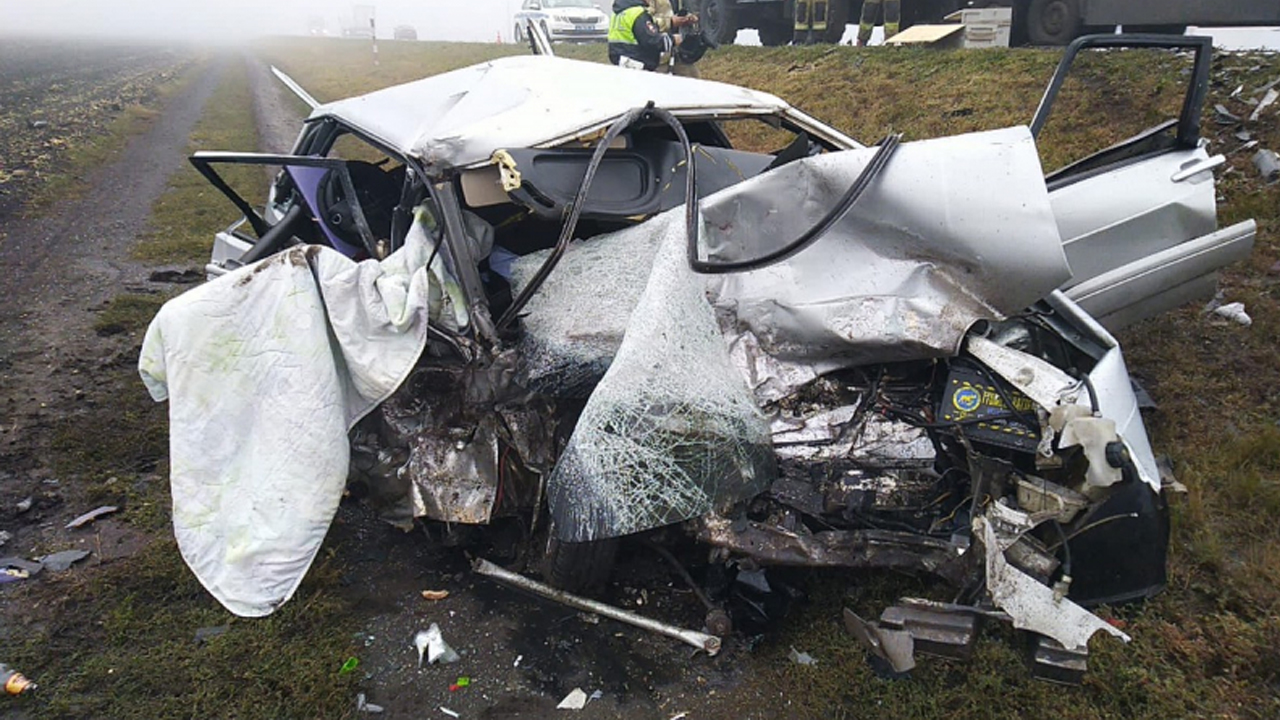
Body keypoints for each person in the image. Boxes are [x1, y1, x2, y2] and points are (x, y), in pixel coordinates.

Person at [608, 0, 678, 71]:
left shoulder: (618, 12)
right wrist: (674, 40)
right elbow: (652, 41)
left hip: (621, 64)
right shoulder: (638, 13)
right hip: (638, 66)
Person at [649, 0, 702, 77]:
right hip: (656, 56)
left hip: (677, 52)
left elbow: (673, 12)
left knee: (693, 77)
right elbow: (645, 22)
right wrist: (670, 22)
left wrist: (687, 18)